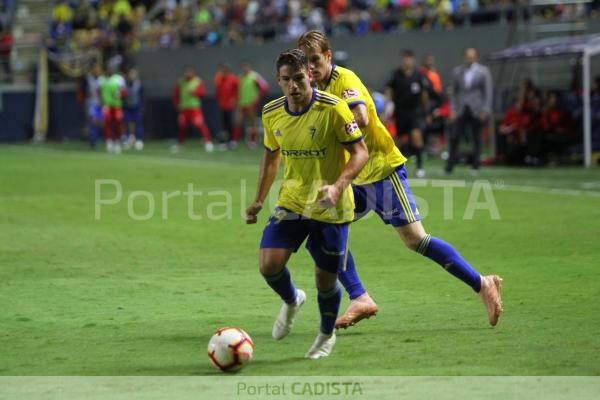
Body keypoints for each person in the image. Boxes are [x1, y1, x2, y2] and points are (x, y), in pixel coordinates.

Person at [298, 30, 503, 330]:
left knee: (416, 240)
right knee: (318, 233)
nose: (311, 67)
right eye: (306, 63)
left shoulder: (345, 80)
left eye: (316, 60)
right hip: (355, 177)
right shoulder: (315, 90)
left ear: (328, 57)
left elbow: (362, 117)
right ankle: (360, 297)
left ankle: (482, 283)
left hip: (381, 170)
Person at [245, 49, 369, 359]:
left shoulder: (334, 109)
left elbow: (361, 152)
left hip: (332, 208)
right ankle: (291, 300)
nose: (293, 86)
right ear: (278, 80)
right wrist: (259, 199)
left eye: (299, 78)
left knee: (324, 281)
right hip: (293, 201)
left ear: (310, 75)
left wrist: (339, 186)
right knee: (268, 265)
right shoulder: (271, 112)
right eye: (286, 80)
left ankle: (326, 335)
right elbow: (271, 155)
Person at [445, 47, 493, 175]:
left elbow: (487, 92)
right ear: (464, 57)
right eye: (468, 56)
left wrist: (485, 109)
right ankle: (450, 166)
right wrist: (453, 110)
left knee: (476, 137)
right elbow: (453, 92)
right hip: (461, 109)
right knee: (455, 137)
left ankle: (476, 165)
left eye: (472, 56)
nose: (470, 58)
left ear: (476, 57)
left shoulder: (483, 72)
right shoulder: (457, 72)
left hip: (477, 109)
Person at [385, 49, 430, 178]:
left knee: (416, 137)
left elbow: (424, 95)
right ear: (402, 60)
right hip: (400, 112)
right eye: (405, 58)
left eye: (409, 58)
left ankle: (420, 167)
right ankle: (399, 167)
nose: (407, 61)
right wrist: (387, 108)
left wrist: (427, 112)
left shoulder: (419, 75)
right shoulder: (395, 75)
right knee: (400, 140)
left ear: (413, 60)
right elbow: (389, 91)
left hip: (415, 112)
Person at [171, 66, 214, 153]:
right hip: (184, 108)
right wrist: (177, 104)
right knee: (182, 126)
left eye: (189, 72)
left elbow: (202, 93)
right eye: (186, 72)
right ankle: (180, 144)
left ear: (193, 73)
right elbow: (175, 94)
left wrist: (193, 92)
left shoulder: (197, 81)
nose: (188, 74)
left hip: (195, 109)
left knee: (200, 125)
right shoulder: (181, 82)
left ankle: (208, 142)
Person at [231, 61, 269, 149]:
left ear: (249, 67)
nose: (245, 69)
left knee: (252, 123)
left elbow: (264, 87)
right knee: (237, 122)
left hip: (251, 104)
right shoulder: (240, 77)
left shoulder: (255, 76)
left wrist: (256, 99)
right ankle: (234, 141)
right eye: (243, 67)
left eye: (246, 67)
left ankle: (252, 142)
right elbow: (237, 91)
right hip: (241, 104)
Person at [100, 63, 127, 154]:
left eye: (111, 68)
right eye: (108, 68)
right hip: (107, 105)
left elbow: (124, 92)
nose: (110, 70)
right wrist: (102, 103)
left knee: (118, 123)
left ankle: (117, 141)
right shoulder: (102, 79)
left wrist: (120, 93)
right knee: (107, 123)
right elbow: (98, 92)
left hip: (116, 105)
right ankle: (109, 141)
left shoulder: (119, 79)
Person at [214, 62, 239, 150]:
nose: (222, 71)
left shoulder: (233, 79)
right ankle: (223, 142)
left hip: (230, 106)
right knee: (223, 124)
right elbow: (218, 91)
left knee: (230, 124)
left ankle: (232, 141)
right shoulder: (219, 78)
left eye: (224, 69)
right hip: (222, 105)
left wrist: (235, 101)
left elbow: (237, 91)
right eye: (221, 70)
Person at [78, 63, 104, 148]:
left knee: (99, 123)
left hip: (100, 103)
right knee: (93, 121)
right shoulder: (88, 79)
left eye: (98, 69)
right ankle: (93, 141)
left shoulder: (102, 79)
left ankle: (94, 138)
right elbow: (83, 90)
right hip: (91, 103)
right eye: (95, 68)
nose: (97, 70)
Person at [123, 67, 144, 151]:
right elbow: (123, 96)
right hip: (127, 107)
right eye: (130, 74)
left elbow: (142, 96)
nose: (132, 75)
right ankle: (129, 139)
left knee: (138, 123)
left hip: (136, 107)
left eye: (133, 74)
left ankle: (139, 140)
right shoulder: (125, 84)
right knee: (127, 123)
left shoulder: (139, 84)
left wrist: (142, 107)